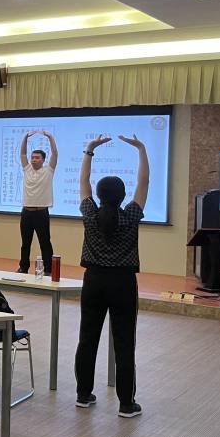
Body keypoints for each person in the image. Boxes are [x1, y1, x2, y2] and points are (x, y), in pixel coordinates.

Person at [74, 134, 148, 418]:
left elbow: (83, 181)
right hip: (123, 283)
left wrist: (89, 150)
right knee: (124, 343)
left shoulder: (89, 214)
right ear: (122, 196)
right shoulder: (131, 216)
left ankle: (83, 395)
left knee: (87, 338)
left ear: (99, 194)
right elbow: (144, 182)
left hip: (93, 281)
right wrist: (141, 149)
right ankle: (126, 404)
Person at [17, 130, 57, 273]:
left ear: (43, 160)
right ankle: (23, 267)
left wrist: (50, 137)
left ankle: (48, 269)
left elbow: (55, 154)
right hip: (26, 213)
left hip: (41, 213)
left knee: (44, 242)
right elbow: (23, 154)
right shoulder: (27, 169)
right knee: (25, 243)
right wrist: (25, 138)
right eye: (32, 157)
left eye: (37, 157)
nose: (34, 159)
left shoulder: (48, 170)